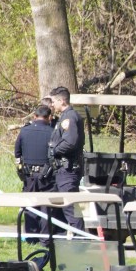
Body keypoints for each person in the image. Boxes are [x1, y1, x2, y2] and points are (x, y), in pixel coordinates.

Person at [14, 105, 56, 237]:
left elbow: (17, 152)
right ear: (49, 117)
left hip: (29, 174)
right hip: (47, 175)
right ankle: (45, 237)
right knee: (46, 206)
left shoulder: (24, 131)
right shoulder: (53, 132)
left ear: (34, 116)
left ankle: (32, 237)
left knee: (30, 203)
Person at [48, 87, 85, 233]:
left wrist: (54, 150)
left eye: (53, 101)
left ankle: (81, 240)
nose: (52, 105)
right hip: (63, 170)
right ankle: (61, 237)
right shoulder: (65, 116)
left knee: (69, 206)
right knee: (60, 206)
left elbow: (70, 142)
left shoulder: (70, 117)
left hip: (68, 169)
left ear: (61, 100)